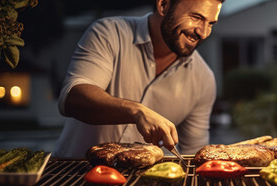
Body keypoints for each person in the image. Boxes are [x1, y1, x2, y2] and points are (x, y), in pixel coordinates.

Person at [53, 0, 224, 158]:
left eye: (210, 24)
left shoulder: (204, 79)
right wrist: (136, 112)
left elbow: (192, 157)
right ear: (163, 5)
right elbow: (72, 98)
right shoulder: (108, 33)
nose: (203, 33)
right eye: (196, 17)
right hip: (74, 175)